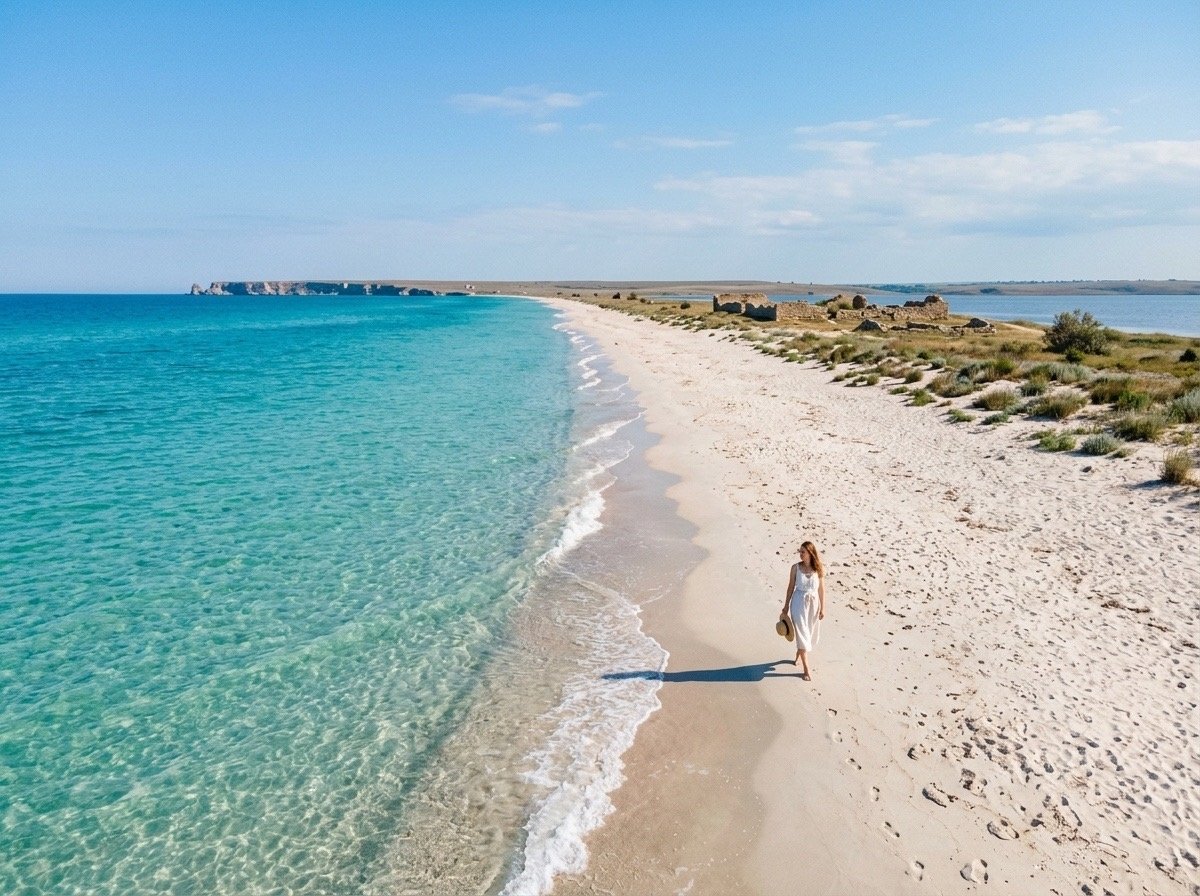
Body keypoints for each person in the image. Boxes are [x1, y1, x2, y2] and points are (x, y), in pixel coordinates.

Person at [781, 540, 826, 680]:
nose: (800, 554)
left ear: (810, 553)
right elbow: (790, 588)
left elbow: (821, 589)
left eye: (803, 552)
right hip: (798, 603)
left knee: (808, 633)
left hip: (813, 604)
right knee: (801, 633)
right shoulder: (795, 568)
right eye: (799, 551)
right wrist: (786, 606)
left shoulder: (818, 569)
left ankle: (798, 653)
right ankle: (806, 670)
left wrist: (822, 608)